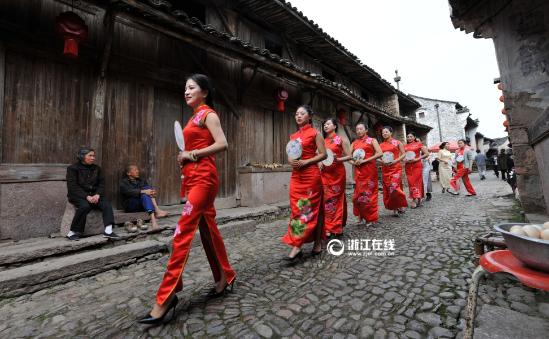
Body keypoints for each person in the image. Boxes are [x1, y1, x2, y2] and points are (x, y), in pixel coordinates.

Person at [139, 74, 236, 325]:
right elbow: (192, 148)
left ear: (204, 91)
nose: (186, 91)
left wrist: (191, 154)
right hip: (192, 179)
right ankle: (224, 276)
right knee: (208, 231)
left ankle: (166, 297)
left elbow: (222, 143)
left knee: (181, 234)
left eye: (191, 87)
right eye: (185, 88)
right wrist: (184, 156)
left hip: (204, 180)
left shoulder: (208, 114)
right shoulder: (192, 118)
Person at [282, 105, 327, 262]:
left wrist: (306, 161)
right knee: (297, 209)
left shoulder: (315, 133)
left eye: (302, 113)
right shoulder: (293, 136)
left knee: (307, 209)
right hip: (297, 176)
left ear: (309, 117)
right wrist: (291, 161)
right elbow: (290, 155)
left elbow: (323, 154)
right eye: (296, 114)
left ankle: (299, 245)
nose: (298, 116)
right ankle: (308, 242)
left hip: (310, 176)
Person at [65, 148, 120, 241]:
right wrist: (87, 197)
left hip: (94, 195)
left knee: (106, 204)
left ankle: (108, 230)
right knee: (85, 206)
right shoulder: (72, 169)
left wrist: (97, 194)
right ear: (82, 157)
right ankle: (72, 232)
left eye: (93, 156)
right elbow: (72, 187)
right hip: (78, 195)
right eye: (90, 155)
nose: (93, 158)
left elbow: (101, 184)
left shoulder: (97, 168)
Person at [320, 117, 351, 238]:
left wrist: (338, 159)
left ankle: (336, 227)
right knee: (327, 200)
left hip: (337, 173)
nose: (325, 126)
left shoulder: (340, 140)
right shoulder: (322, 141)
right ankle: (328, 226)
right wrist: (320, 164)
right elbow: (320, 156)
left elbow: (349, 156)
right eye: (324, 124)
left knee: (336, 199)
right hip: (325, 173)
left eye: (328, 124)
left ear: (335, 126)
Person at [350, 122, 382, 226]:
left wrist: (365, 160)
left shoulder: (372, 140)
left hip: (370, 170)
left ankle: (371, 218)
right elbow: (349, 157)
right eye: (357, 129)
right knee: (358, 195)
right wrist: (354, 162)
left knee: (369, 194)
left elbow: (379, 153)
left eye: (361, 129)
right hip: (359, 171)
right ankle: (361, 215)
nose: (358, 131)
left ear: (366, 130)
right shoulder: (354, 143)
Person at [119, 164, 169, 231]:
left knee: (147, 190)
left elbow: (147, 191)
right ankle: (156, 213)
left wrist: (151, 192)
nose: (137, 171)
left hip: (142, 204)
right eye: (135, 170)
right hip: (131, 206)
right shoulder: (124, 182)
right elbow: (129, 192)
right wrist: (144, 191)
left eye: (137, 169)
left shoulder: (141, 180)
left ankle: (154, 217)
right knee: (145, 193)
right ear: (128, 173)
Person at [379, 126, 408, 217]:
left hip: (396, 168)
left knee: (394, 187)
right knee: (389, 189)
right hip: (385, 168)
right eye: (383, 132)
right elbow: (377, 157)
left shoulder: (397, 142)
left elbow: (403, 154)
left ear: (391, 133)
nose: (384, 134)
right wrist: (382, 161)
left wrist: (395, 161)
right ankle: (395, 207)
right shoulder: (380, 145)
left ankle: (401, 203)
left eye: (386, 132)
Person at [404, 133, 428, 208]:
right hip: (408, 166)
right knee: (411, 182)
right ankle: (415, 198)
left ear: (414, 137)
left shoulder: (419, 144)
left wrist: (417, 159)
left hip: (417, 165)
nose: (409, 138)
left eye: (411, 136)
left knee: (417, 182)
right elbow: (402, 155)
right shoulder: (405, 146)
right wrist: (404, 159)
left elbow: (426, 154)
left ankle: (417, 199)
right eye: (408, 137)